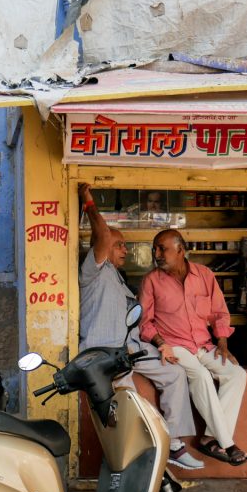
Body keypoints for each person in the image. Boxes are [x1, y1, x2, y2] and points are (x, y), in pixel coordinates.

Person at [78, 184, 203, 471]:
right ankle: (128, 463)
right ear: (105, 247)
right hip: (105, 353)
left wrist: (160, 346)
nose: (124, 249)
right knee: (125, 406)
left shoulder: (118, 278)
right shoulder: (93, 271)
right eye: (119, 245)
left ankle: (173, 444)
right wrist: (88, 202)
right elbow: (103, 233)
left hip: (131, 349)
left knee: (174, 373)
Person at [141, 229, 247, 466]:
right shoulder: (151, 280)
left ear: (180, 250)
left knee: (237, 374)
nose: (157, 254)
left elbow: (220, 312)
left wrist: (222, 341)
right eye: (155, 249)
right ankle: (227, 444)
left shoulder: (204, 275)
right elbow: (144, 322)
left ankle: (209, 438)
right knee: (200, 376)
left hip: (203, 344)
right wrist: (160, 343)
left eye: (162, 248)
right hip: (174, 346)